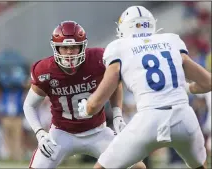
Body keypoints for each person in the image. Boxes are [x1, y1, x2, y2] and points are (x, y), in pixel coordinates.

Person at [78, 6, 211, 169]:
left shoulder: (119, 47)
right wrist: (188, 88)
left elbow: (96, 103)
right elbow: (207, 83)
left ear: (124, 28)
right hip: (184, 116)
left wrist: (86, 109)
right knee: (200, 166)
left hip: (149, 120)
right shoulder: (171, 40)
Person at [23, 20, 145, 169]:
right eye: (64, 48)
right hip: (62, 134)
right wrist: (40, 133)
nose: (69, 52)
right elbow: (29, 105)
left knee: (138, 167)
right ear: (56, 48)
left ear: (83, 46)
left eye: (74, 47)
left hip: (97, 132)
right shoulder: (45, 70)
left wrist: (117, 115)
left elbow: (115, 82)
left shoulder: (99, 59)